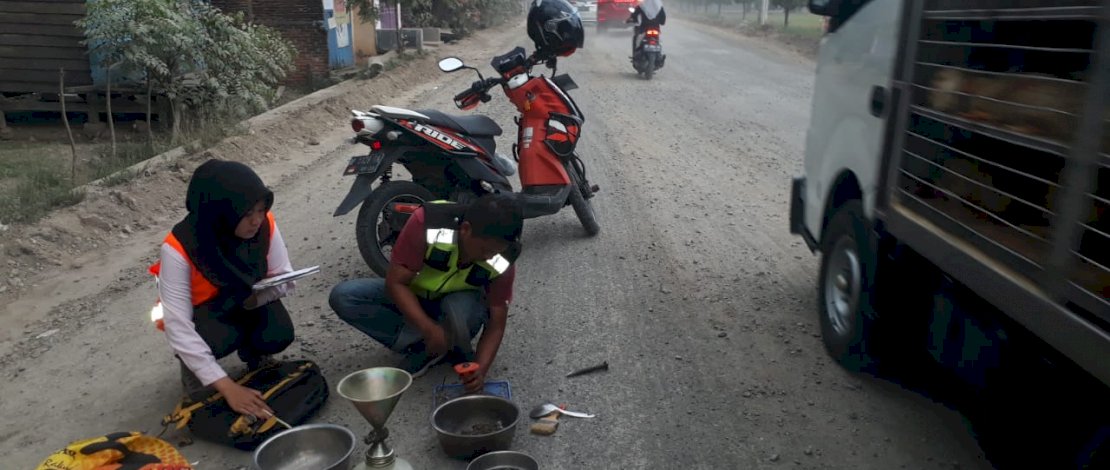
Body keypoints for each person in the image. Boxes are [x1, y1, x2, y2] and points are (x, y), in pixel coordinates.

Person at [330, 194, 524, 392]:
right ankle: (426, 346)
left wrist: (480, 370)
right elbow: (396, 283)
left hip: (459, 308)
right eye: (485, 250)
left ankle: (444, 344)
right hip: (413, 296)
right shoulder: (428, 222)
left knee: (459, 308)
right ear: (466, 229)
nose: (488, 257)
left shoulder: (506, 253)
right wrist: (428, 329)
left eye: (495, 252)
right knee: (345, 296)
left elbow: (497, 318)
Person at [150, 159, 297, 419]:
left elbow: (284, 277)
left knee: (277, 333)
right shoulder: (178, 247)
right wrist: (227, 386)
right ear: (221, 213)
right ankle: (197, 375)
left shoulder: (265, 225)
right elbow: (178, 325)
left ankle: (256, 355)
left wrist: (254, 299)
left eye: (261, 210)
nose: (257, 221)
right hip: (208, 314)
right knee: (215, 338)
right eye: (247, 213)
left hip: (249, 298)